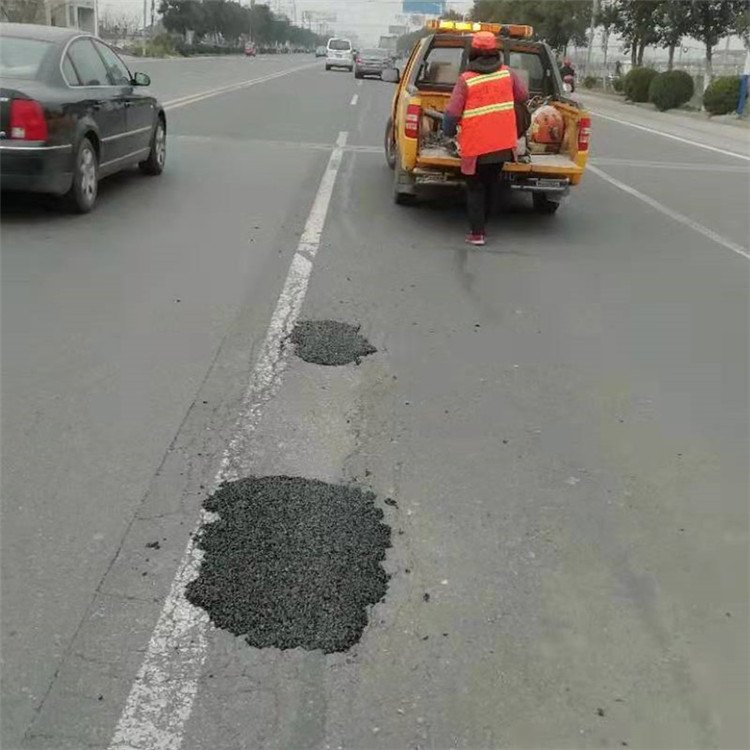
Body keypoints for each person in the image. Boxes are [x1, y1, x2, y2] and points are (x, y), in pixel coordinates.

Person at [442, 31, 528, 246]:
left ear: (473, 52)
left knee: (475, 188)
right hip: (502, 145)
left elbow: (452, 113)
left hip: (476, 146)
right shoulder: (507, 74)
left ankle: (477, 233)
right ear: (495, 51)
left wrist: (448, 132)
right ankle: (485, 224)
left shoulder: (466, 79)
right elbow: (523, 97)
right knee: (492, 184)